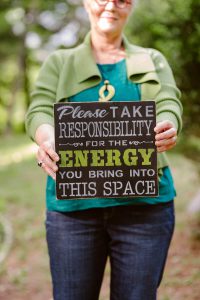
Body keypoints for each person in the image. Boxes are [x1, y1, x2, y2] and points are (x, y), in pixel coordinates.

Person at [25, 0, 183, 299]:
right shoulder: (59, 61)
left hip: (145, 208)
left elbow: (168, 101)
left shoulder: (153, 58)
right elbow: (40, 108)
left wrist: (167, 124)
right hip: (73, 211)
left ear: (131, 5)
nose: (111, 5)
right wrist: (46, 137)